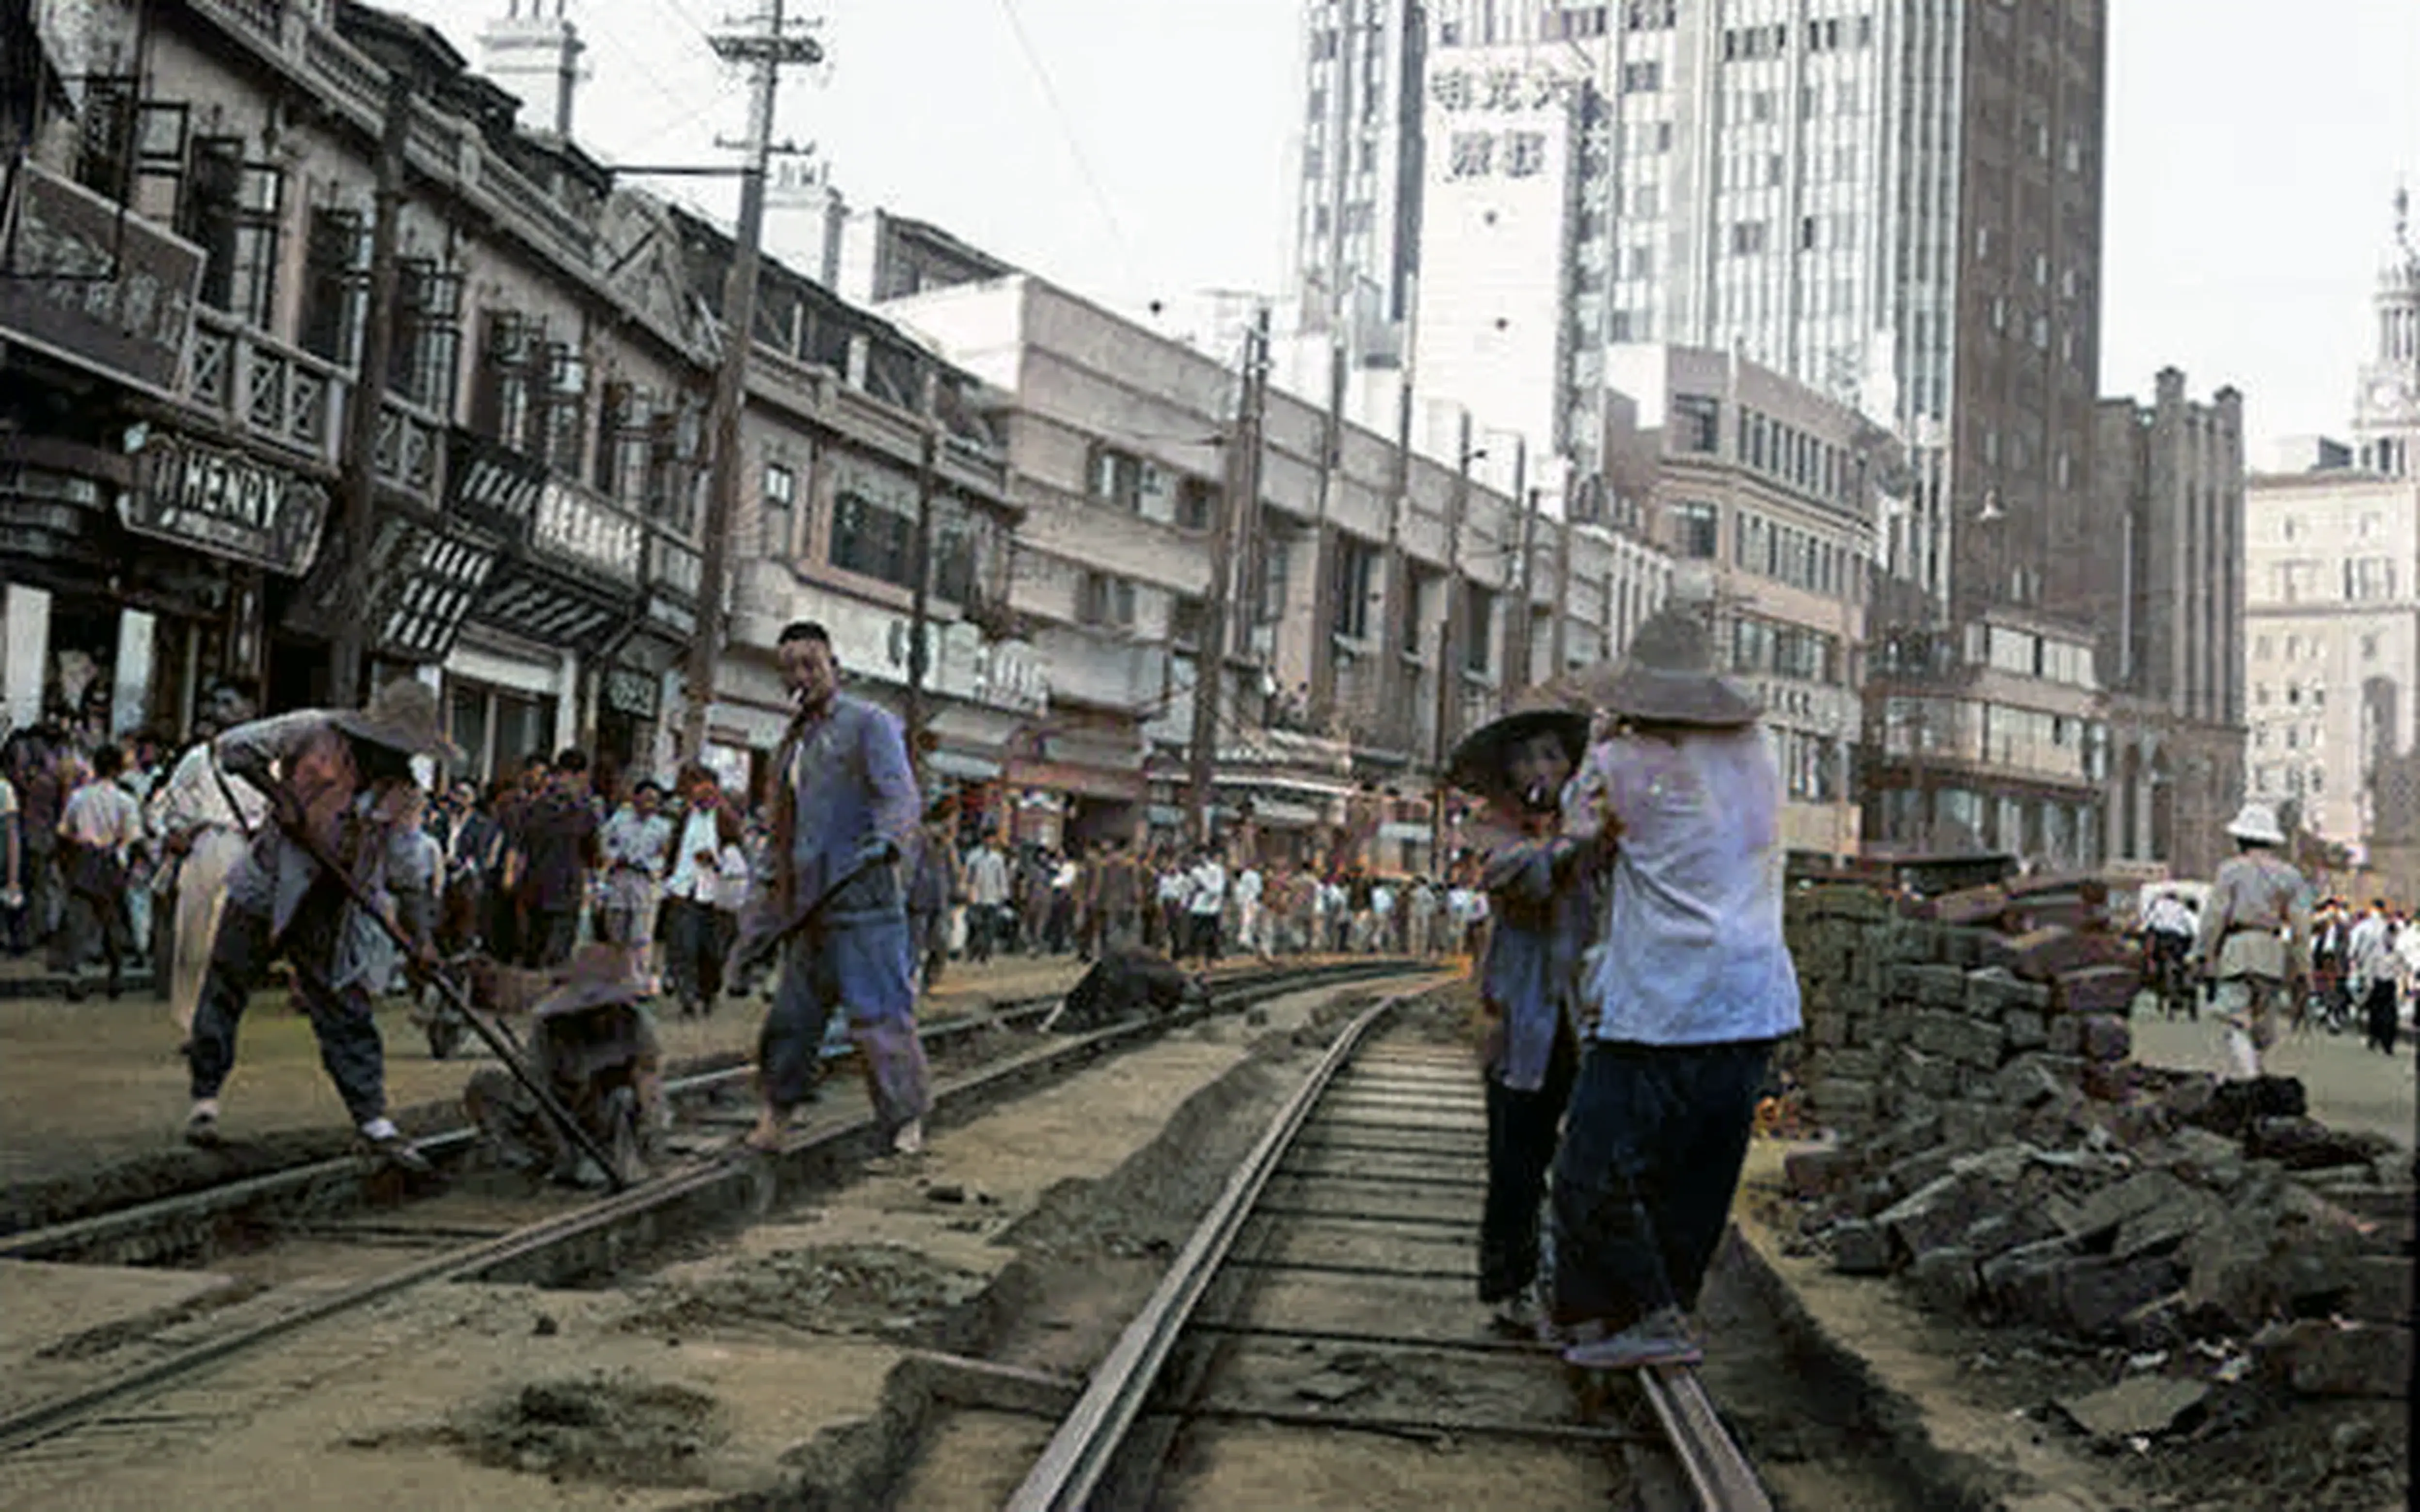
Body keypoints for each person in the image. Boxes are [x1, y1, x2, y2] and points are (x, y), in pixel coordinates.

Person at [1549, 607, 1802, 1370]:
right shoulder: (1766, 750)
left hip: (1664, 995)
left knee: (1588, 1170)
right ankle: (1649, 1311)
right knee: (1698, 1171)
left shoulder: (1620, 764)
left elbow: (1576, 846)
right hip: (1753, 992)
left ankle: (1646, 1315)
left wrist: (1597, 750)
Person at [182, 679, 454, 1171]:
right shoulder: (312, 731)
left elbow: (408, 873)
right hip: (268, 885)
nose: (395, 759)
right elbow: (233, 749)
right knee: (225, 987)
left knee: (345, 1009)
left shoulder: (402, 792)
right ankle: (205, 1099)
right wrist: (278, 796)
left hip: (334, 906)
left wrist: (423, 942)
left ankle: (372, 1118)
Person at [732, 622, 927, 1157]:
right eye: (789, 668)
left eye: (810, 664)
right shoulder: (790, 745)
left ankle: (905, 1120)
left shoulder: (869, 724)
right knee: (791, 1022)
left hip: (863, 898)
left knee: (879, 1016)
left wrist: (889, 840)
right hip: (806, 909)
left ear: (832, 666)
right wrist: (758, 924)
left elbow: (899, 796)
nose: (800, 676)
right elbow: (780, 834)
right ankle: (774, 1120)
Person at [1449, 693, 1597, 1337]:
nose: (1540, 768)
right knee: (1515, 1161)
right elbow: (1519, 875)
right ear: (1508, 774)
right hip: (1521, 1024)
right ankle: (1511, 1284)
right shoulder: (1494, 835)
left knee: (1587, 1163)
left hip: (1588, 1016)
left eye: (1552, 755)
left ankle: (1575, 1285)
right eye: (1527, 758)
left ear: (1570, 766)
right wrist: (1572, 845)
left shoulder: (1596, 828)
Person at [465, 943, 663, 1187]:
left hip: (610, 1122)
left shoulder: (637, 1026)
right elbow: (536, 1088)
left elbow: (648, 1089)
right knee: (486, 1085)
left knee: (622, 1098)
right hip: (560, 1115)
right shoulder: (551, 1029)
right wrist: (559, 1141)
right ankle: (534, 1158)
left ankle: (615, 1163)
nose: (602, 1017)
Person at [148, 685, 268, 1045]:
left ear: (250, 708)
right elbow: (163, 806)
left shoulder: (266, 761)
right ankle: (192, 1025)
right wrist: (171, 832)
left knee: (228, 945)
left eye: (230, 701)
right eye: (216, 703)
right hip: (204, 846)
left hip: (244, 851)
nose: (221, 709)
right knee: (192, 941)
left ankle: (218, 1022)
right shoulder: (199, 759)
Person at [2188, 803, 2311, 1082]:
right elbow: (2301, 930)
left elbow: (2214, 918)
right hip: (2271, 953)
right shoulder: (2290, 876)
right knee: (2262, 1026)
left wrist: (2202, 954)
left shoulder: (2230, 871)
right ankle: (2252, 1076)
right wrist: (2302, 970)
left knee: (2234, 1020)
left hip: (2238, 949)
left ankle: (2249, 1080)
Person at [56, 744, 144, 1001]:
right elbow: (133, 837)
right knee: (111, 921)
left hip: (83, 858)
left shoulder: (79, 797)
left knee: (79, 921)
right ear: (118, 770)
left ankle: (76, 976)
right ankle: (115, 974)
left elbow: (64, 832)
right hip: (111, 858)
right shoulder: (125, 800)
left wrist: (67, 862)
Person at [659, 764, 742, 1018]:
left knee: (712, 951)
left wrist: (715, 861)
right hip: (684, 891)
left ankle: (708, 993)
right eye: (697, 787)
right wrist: (669, 879)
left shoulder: (727, 820)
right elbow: (674, 851)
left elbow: (737, 861)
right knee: (684, 946)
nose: (702, 793)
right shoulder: (684, 817)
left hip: (714, 895)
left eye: (708, 787)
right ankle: (688, 999)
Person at [510, 749, 600, 970]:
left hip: (538, 888)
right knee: (554, 954)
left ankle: (532, 994)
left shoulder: (535, 807)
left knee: (535, 949)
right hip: (562, 891)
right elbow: (592, 854)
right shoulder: (583, 811)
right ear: (581, 776)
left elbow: (520, 848)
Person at [597, 778, 672, 986]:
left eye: (655, 801)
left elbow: (664, 856)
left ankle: (638, 981)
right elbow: (605, 845)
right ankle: (614, 979)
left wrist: (651, 866)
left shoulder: (663, 827)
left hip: (645, 882)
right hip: (620, 880)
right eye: (646, 799)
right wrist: (614, 858)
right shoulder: (618, 821)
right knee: (616, 930)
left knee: (641, 935)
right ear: (635, 798)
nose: (650, 804)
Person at [2346, 898, 2399, 1055]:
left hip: (2370, 971)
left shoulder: (2363, 927)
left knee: (2374, 1007)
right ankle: (2387, 1041)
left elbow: (2353, 951)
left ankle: (2374, 1037)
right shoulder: (2389, 927)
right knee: (2388, 1008)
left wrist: (2357, 963)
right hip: (2389, 972)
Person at [2140, 888, 2199, 1021]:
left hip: (2161, 940)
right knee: (2182, 965)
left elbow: (2146, 925)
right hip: (2177, 940)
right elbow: (2193, 928)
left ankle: (2156, 985)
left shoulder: (2157, 907)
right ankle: (2182, 985)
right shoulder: (2182, 909)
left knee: (2153, 960)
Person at [963, 829, 1010, 965]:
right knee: (976, 926)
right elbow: (968, 876)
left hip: (992, 897)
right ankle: (972, 953)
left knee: (990, 928)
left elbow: (1001, 877)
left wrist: (1004, 894)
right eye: (987, 839)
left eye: (992, 839)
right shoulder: (974, 856)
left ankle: (986, 955)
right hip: (977, 897)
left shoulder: (997, 858)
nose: (990, 842)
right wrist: (968, 891)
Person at [1183, 845, 1227, 966]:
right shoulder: (1195, 871)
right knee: (1197, 935)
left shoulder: (1217, 870)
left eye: (1202, 855)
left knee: (1212, 934)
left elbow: (1217, 889)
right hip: (1198, 907)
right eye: (1197, 855)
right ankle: (1198, 960)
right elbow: (1190, 888)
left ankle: (1211, 960)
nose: (1199, 858)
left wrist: (1203, 884)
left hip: (1213, 907)